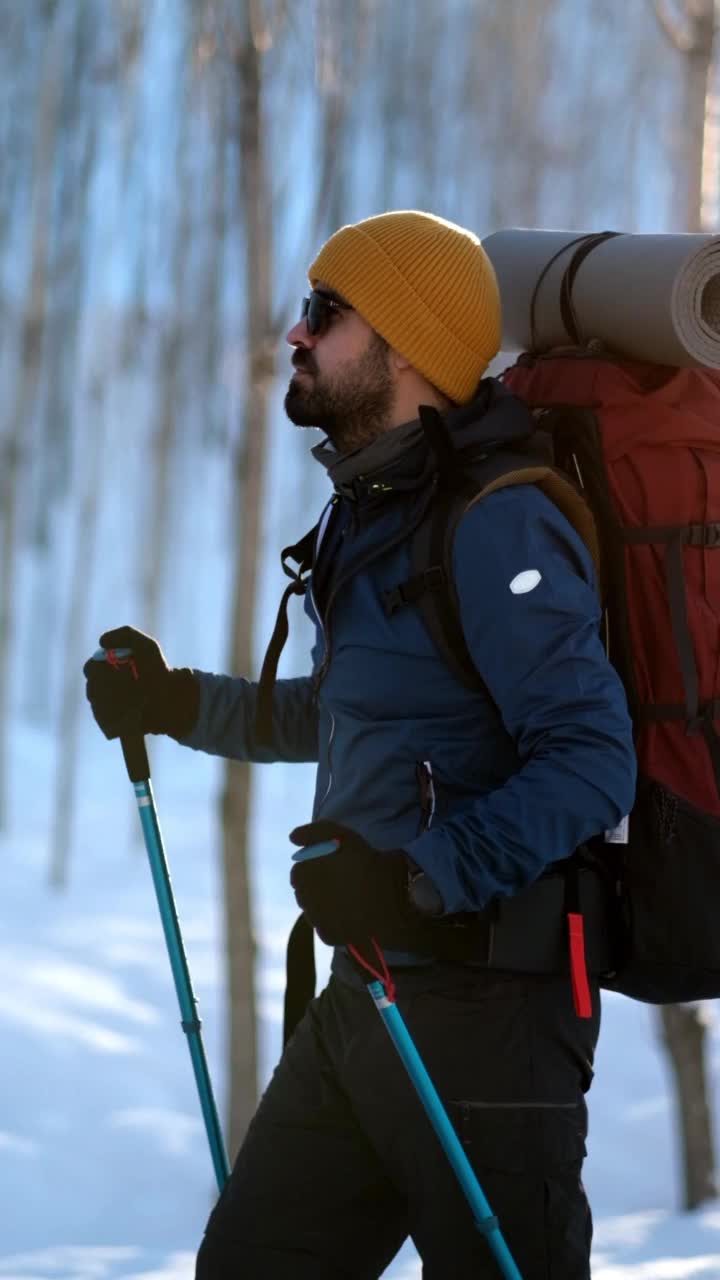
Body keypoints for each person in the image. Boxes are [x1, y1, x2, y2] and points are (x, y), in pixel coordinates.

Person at [84, 210, 637, 1280]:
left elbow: (590, 756)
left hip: (492, 1011)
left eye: (325, 314)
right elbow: (342, 715)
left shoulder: (498, 523)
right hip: (370, 991)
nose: (297, 335)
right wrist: (171, 701)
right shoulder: (380, 508)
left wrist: (418, 880)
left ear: (410, 349)